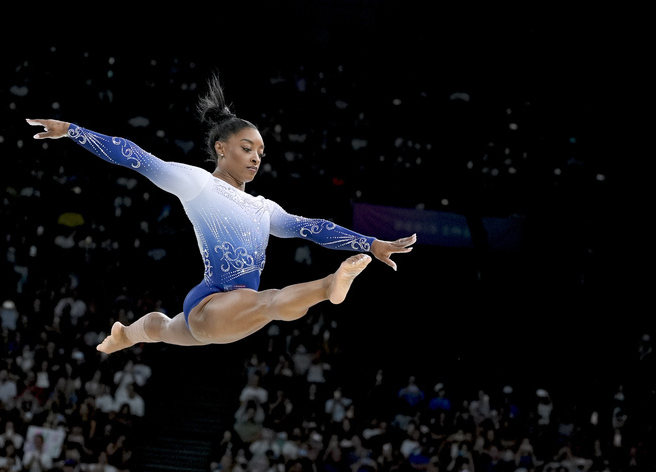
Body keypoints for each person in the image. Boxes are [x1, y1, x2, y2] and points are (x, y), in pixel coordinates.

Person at [27, 77, 414, 352]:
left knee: (162, 328)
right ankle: (330, 285)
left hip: (227, 308)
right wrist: (72, 131)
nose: (256, 158)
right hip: (213, 302)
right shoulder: (198, 183)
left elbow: (312, 227)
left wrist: (372, 243)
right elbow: (136, 157)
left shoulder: (265, 208)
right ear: (221, 148)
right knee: (272, 303)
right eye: (247, 148)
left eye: (261, 152)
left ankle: (125, 335)